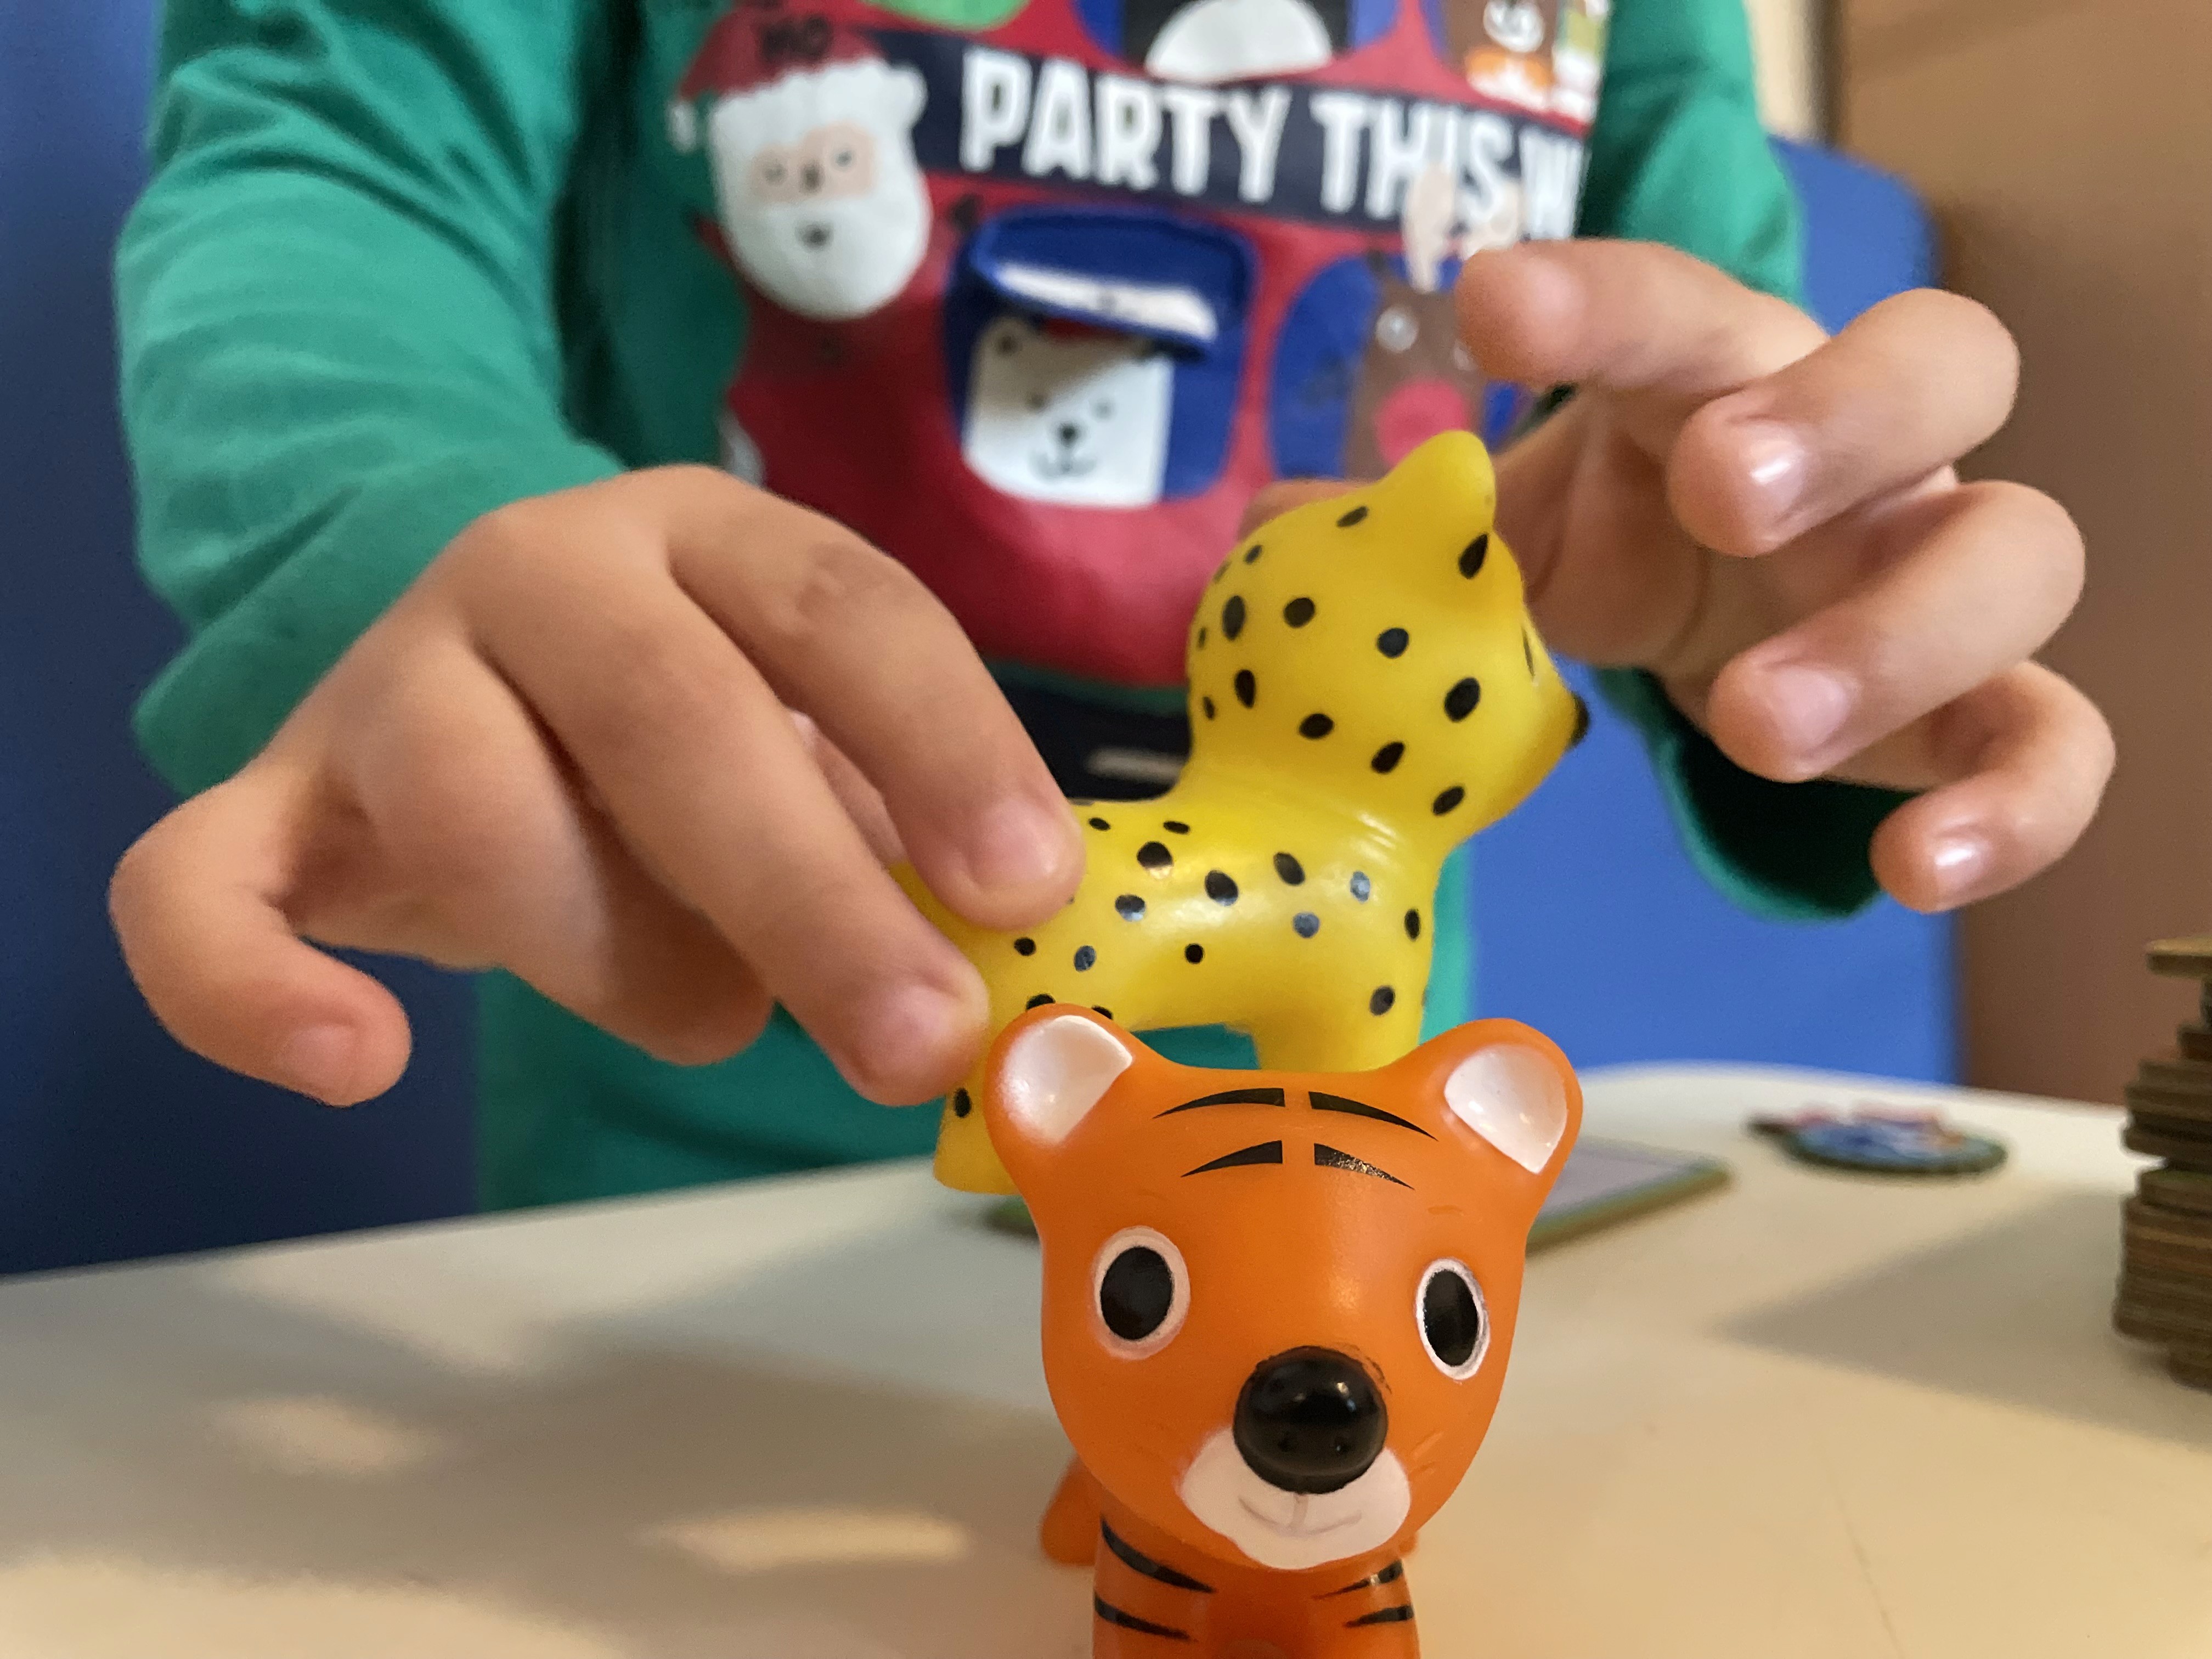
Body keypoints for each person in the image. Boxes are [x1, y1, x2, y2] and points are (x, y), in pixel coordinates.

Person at [108, 0, 2109, 1212]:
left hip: (1352, 1189)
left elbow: (1717, 376)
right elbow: (332, 155)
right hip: (694, 1157)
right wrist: (410, 533)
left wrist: (1825, 625)